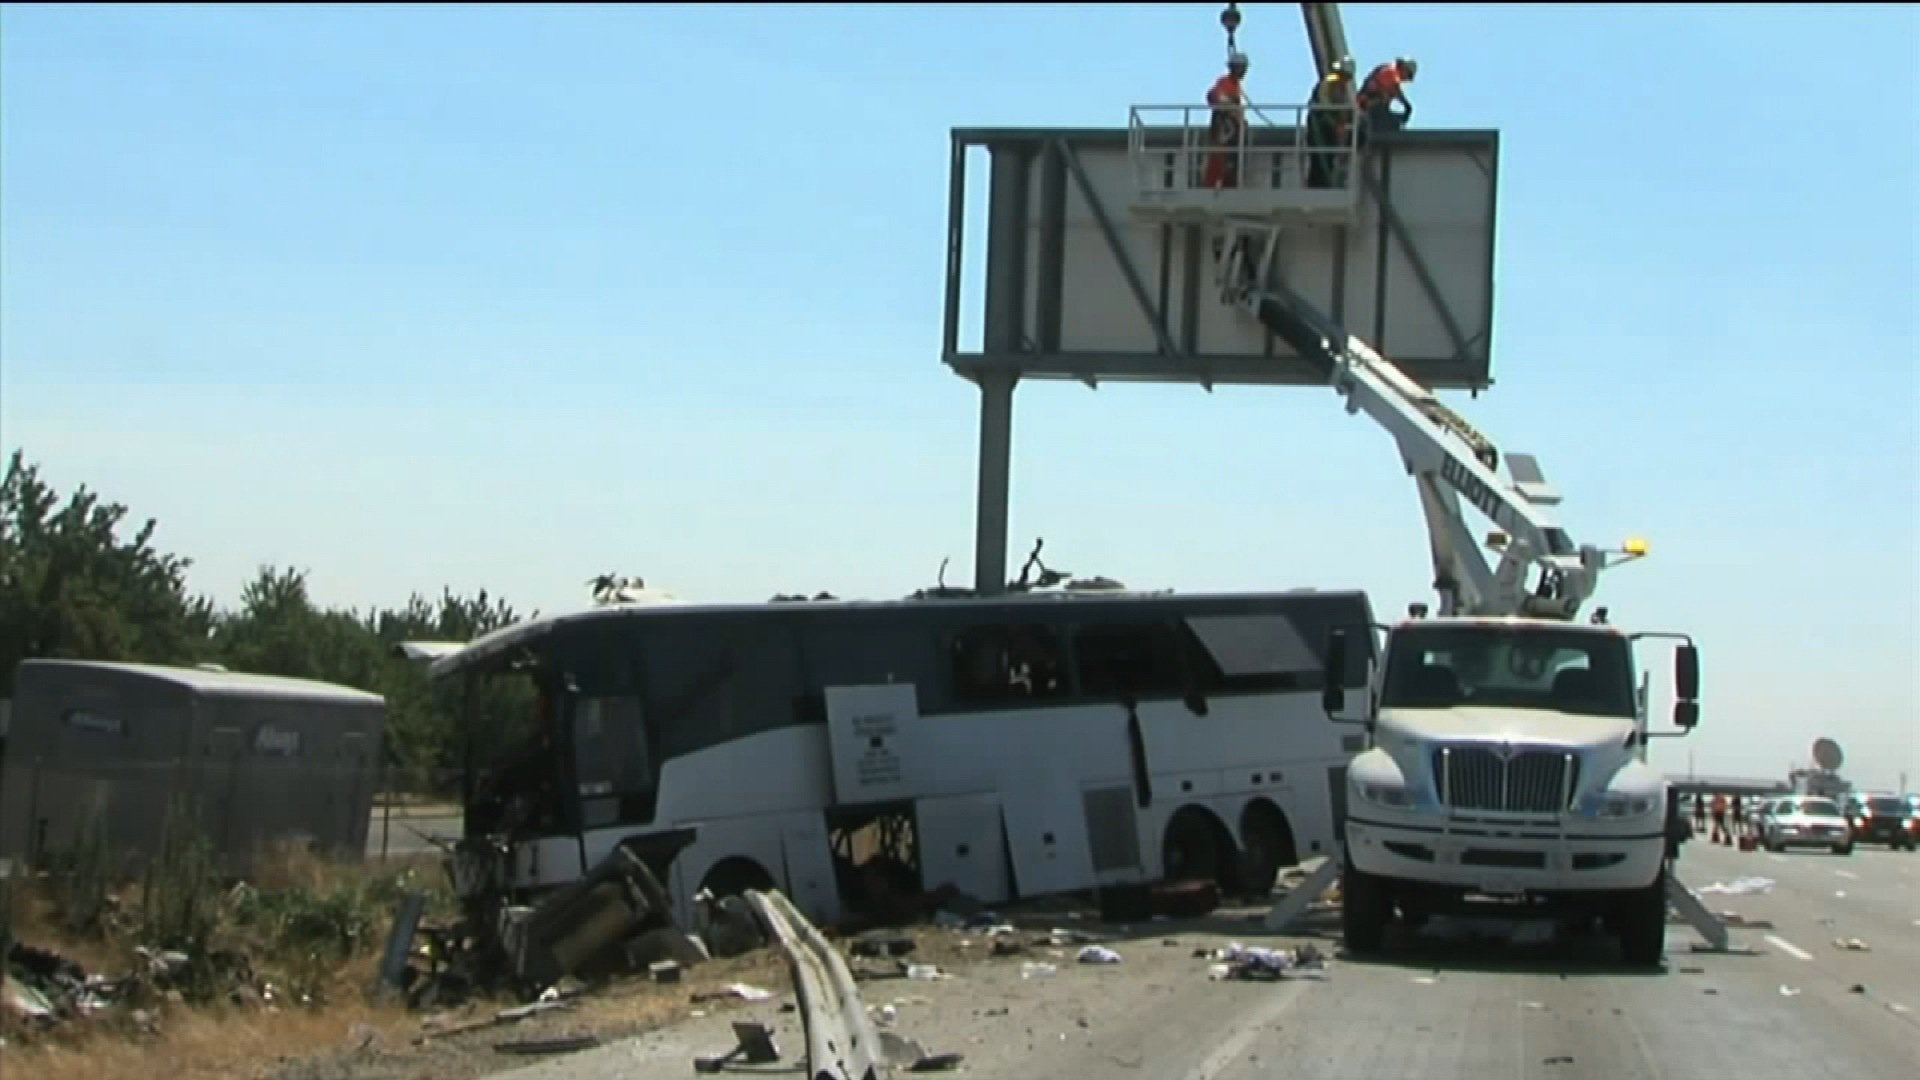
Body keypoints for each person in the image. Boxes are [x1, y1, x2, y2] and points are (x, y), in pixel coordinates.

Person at [1304, 55, 1357, 189]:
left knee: (1327, 156)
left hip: (1326, 125)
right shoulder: (1331, 82)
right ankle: (1317, 185)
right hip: (1319, 125)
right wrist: (1335, 121)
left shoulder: (1338, 85)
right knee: (1320, 157)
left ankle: (1323, 183)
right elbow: (1325, 104)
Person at [1203, 51, 1251, 190]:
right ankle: (1216, 182)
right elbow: (1213, 96)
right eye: (1243, 68)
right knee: (1221, 156)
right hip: (1225, 128)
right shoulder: (1226, 83)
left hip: (1231, 129)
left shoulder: (1234, 85)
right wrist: (1231, 109)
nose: (1244, 71)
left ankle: (1226, 181)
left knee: (1230, 158)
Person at [1355, 57, 1417, 135]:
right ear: (1404, 68)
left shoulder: (1391, 75)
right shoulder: (1389, 73)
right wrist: (1407, 106)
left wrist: (1407, 106)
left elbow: (1396, 92)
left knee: (1393, 121)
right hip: (1369, 107)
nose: (1406, 79)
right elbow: (1394, 91)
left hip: (1372, 108)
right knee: (1393, 123)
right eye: (1408, 75)